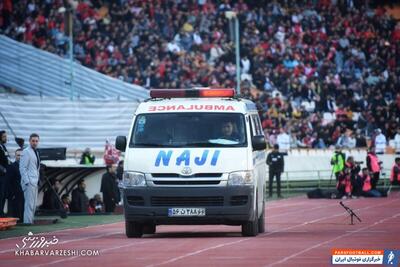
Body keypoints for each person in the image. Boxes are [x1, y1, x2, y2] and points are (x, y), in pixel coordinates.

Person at [20, 133, 41, 224]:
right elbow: (22, 168)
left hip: (35, 181)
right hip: (29, 182)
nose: (35, 143)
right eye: (33, 141)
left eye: (36, 141)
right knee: (29, 204)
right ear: (29, 141)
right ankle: (27, 222)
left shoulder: (36, 152)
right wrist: (27, 182)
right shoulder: (26, 151)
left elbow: (36, 168)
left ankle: (30, 221)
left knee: (33, 204)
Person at [7, 149, 24, 221]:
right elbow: (9, 181)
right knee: (16, 207)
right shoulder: (12, 166)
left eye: (21, 155)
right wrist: (11, 193)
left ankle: (22, 220)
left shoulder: (25, 166)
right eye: (18, 155)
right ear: (15, 156)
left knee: (22, 206)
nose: (20, 157)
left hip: (24, 191)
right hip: (15, 191)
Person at [0, 130, 11, 216]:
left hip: (5, 175)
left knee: (4, 194)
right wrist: (3, 170)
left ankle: (1, 213)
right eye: (4, 136)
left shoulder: (3, 146)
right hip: (1, 175)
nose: (6, 138)